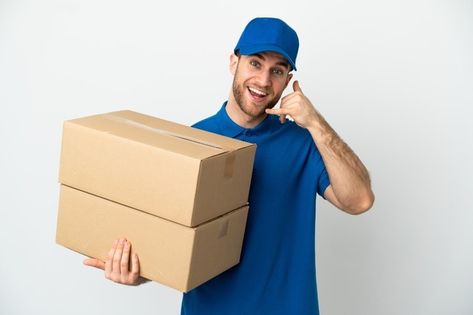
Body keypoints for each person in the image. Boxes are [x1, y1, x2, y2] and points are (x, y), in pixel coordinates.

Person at [84, 17, 374, 315]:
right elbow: (169, 240)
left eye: (277, 70)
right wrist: (136, 271)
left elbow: (360, 200)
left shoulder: (304, 142)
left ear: (288, 82)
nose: (263, 81)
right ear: (233, 62)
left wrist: (316, 123)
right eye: (255, 63)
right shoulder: (191, 142)